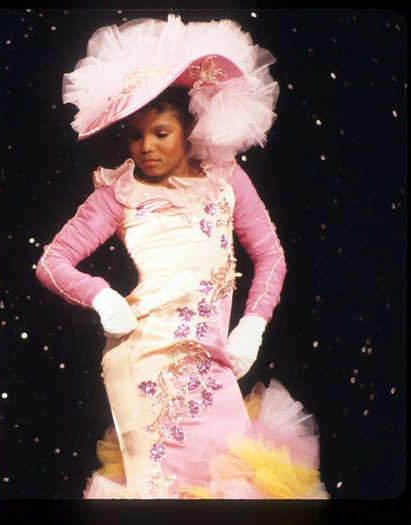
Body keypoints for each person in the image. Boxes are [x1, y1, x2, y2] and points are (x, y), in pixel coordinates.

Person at [36, 15, 329, 499]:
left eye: (161, 133)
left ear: (189, 127)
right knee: (159, 490)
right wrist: (101, 296)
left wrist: (253, 324)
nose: (145, 147)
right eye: (135, 135)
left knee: (234, 482)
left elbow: (271, 255)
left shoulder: (227, 179)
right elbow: (52, 262)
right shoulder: (118, 192)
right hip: (144, 365)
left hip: (212, 362)